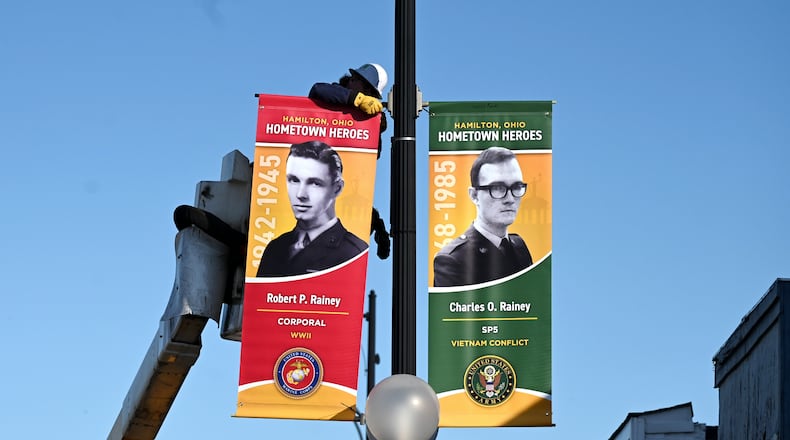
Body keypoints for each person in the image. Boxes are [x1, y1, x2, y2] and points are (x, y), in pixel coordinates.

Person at [309, 63, 390, 260]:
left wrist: (375, 126)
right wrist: (355, 99)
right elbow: (317, 89)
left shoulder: (369, 117)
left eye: (371, 94)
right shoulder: (335, 94)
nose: (351, 81)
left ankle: (374, 223)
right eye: (353, 79)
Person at [256, 141, 367, 277]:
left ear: (337, 188)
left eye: (315, 183)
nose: (300, 194)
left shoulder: (354, 252)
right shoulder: (275, 248)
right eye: (294, 180)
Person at [433, 147, 533, 287]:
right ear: (474, 196)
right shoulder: (452, 259)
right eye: (497, 188)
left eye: (516, 186)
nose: (510, 198)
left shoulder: (519, 246)